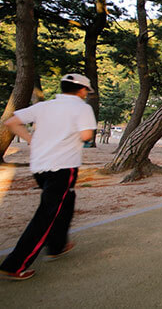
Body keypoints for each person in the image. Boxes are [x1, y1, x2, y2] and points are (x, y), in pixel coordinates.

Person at [0, 73, 96, 280]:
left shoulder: (44, 107)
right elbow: (87, 135)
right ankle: (14, 265)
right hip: (63, 166)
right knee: (47, 214)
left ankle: (57, 245)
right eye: (86, 91)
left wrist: (30, 138)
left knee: (67, 200)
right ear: (81, 90)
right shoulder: (82, 108)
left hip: (40, 166)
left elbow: (11, 121)